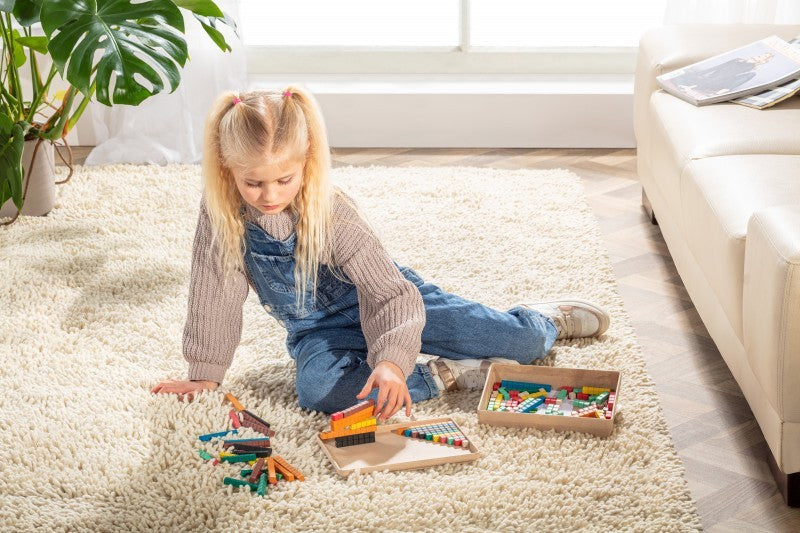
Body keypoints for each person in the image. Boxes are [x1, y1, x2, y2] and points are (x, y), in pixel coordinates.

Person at [150, 85, 611, 420]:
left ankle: (542, 320)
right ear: (227, 170)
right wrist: (204, 374)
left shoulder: (331, 211)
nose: (269, 195)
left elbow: (389, 294)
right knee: (320, 394)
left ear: (305, 166)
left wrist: (390, 360)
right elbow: (215, 295)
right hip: (321, 331)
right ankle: (446, 376)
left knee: (523, 347)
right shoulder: (221, 216)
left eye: (283, 180)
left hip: (394, 303)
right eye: (253, 183)